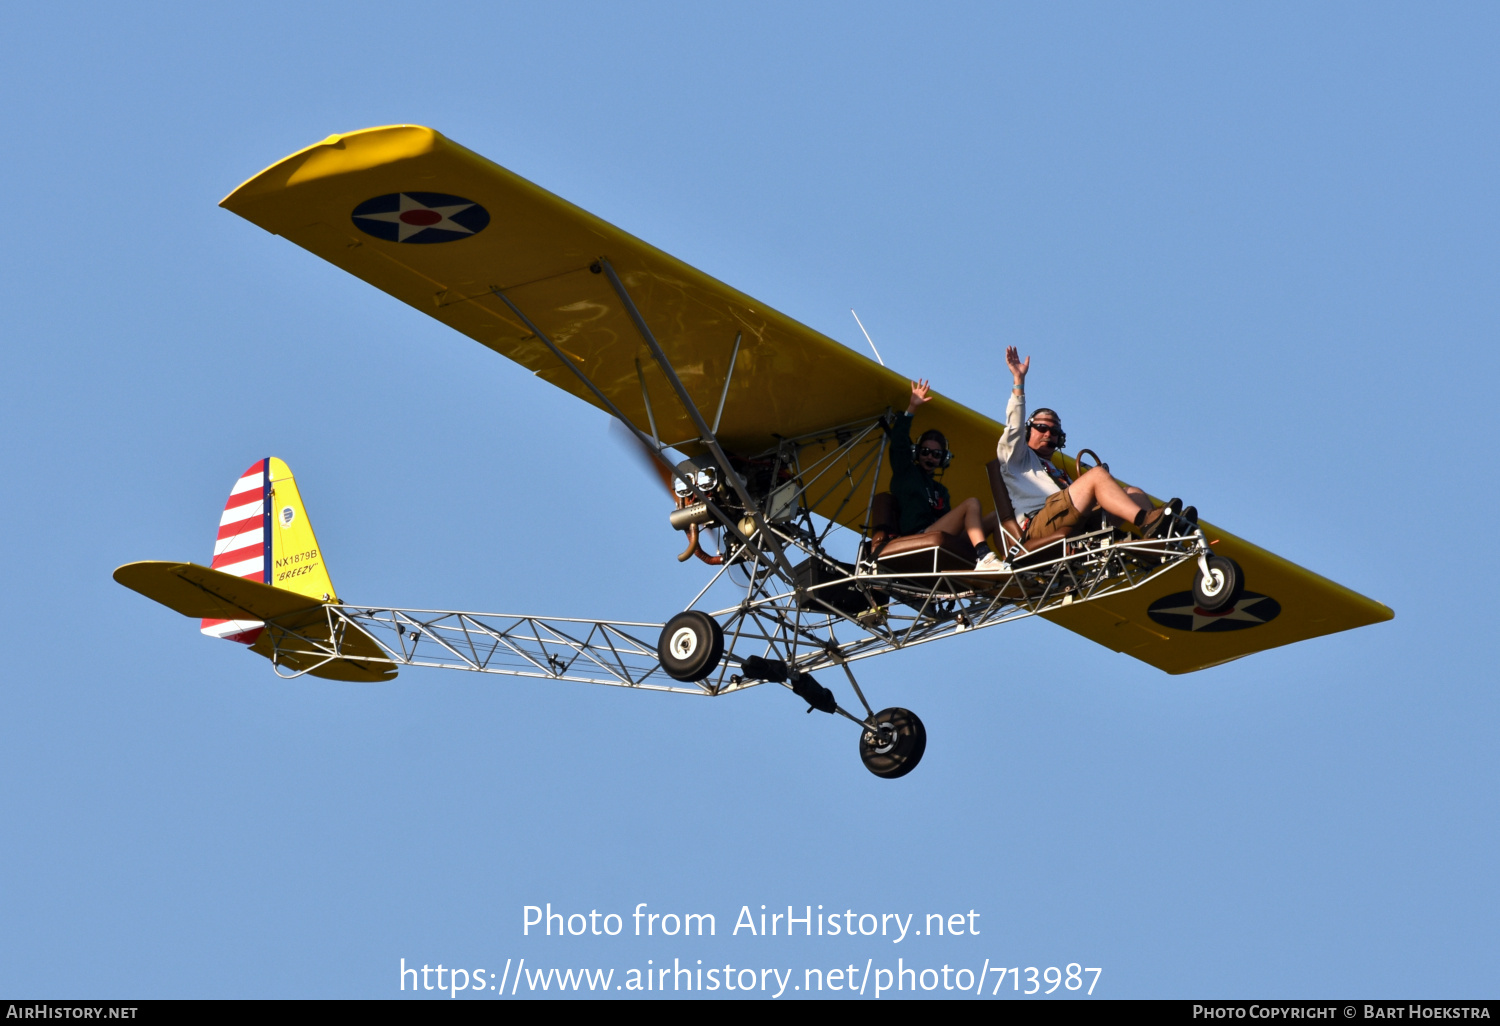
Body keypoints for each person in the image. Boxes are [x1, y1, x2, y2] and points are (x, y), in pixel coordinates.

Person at [997, 347, 1189, 554]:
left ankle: (1161, 534)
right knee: (1097, 475)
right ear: (1028, 432)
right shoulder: (1016, 458)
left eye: (1054, 432)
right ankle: (1144, 520)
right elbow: (1014, 427)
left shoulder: (1056, 471)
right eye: (1041, 428)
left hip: (1069, 519)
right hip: (1039, 525)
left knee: (1133, 492)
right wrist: (1019, 382)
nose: (1048, 434)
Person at [888, 380, 1002, 570]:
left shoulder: (941, 490)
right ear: (916, 453)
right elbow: (898, 444)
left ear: (943, 459)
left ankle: (1009, 563)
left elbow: (951, 524)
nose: (929, 457)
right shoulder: (906, 473)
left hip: (942, 536)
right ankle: (984, 556)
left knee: (996, 517)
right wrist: (912, 407)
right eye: (925, 452)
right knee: (971, 503)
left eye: (936, 454)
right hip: (918, 537)